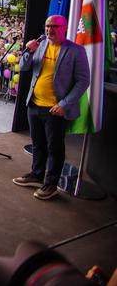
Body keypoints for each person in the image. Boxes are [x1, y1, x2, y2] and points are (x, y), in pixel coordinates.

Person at [13, 15, 90, 200]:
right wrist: (28, 51)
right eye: (47, 26)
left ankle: (51, 184)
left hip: (55, 109)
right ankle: (37, 174)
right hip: (34, 104)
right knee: (38, 144)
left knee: (54, 148)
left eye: (54, 26)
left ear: (64, 28)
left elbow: (83, 81)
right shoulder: (40, 45)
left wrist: (64, 104)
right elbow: (24, 67)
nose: (50, 30)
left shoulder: (75, 51)